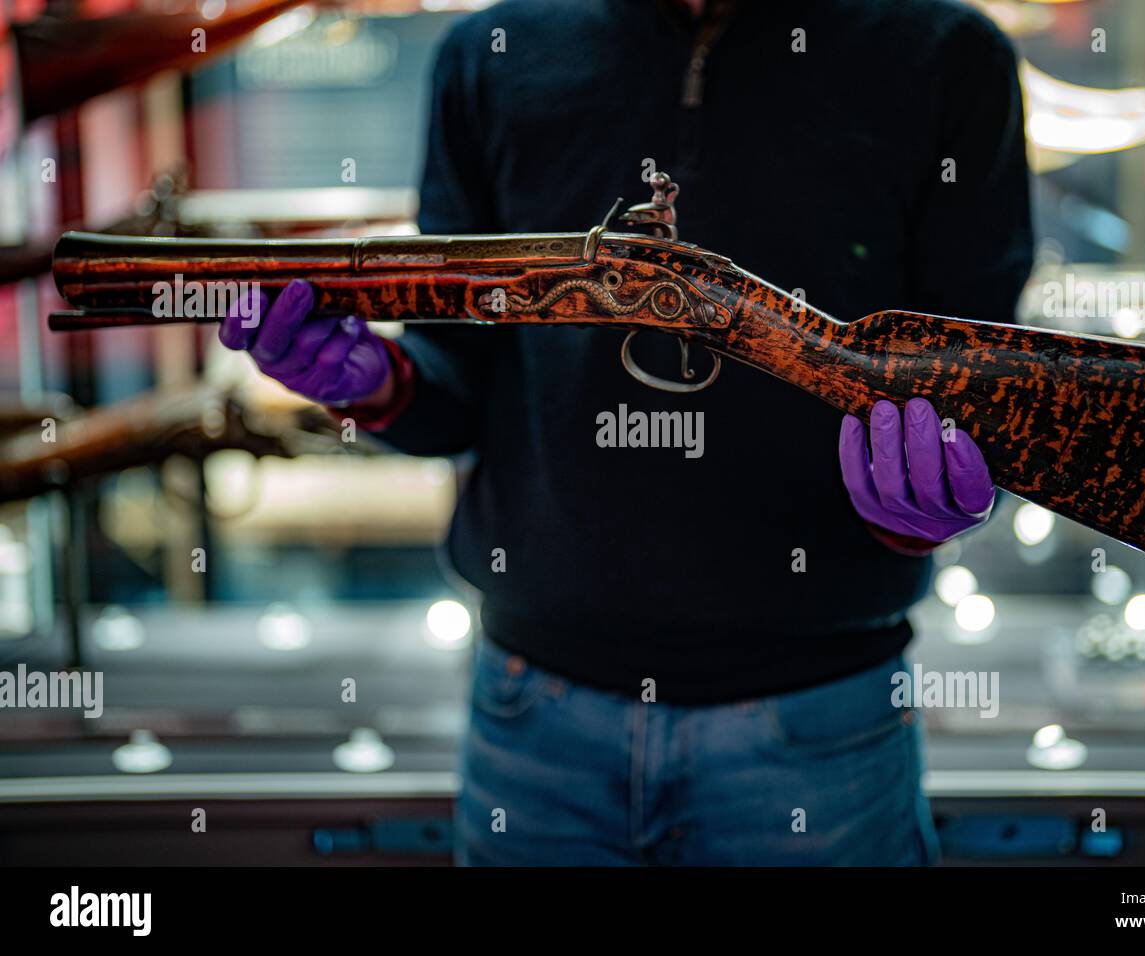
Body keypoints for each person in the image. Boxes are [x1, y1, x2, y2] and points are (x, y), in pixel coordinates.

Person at [219, 0, 1032, 865]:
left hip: (824, 716)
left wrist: (920, 499)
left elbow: (988, 396)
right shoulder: (488, 56)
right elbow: (458, 383)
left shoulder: (948, 55)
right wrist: (376, 384)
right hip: (534, 714)